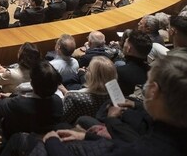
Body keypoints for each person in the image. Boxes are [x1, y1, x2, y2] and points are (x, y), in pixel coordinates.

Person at [42, 51, 187, 156]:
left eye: (148, 81)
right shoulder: (172, 135)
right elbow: (129, 143)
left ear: (153, 91)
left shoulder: (142, 150)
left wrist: (52, 141)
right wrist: (87, 136)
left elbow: (131, 148)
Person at [0, 60, 63, 140]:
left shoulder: (19, 103)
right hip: (41, 137)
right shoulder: (58, 101)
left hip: (17, 138)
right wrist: (10, 95)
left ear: (32, 83)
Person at [60, 56, 116, 124]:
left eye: (88, 69)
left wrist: (67, 94)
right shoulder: (116, 96)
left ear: (90, 76)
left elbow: (63, 121)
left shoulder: (73, 98)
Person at [117, 30, 151, 96]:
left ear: (128, 49)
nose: (123, 44)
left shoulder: (120, 71)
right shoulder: (153, 71)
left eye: (125, 42)